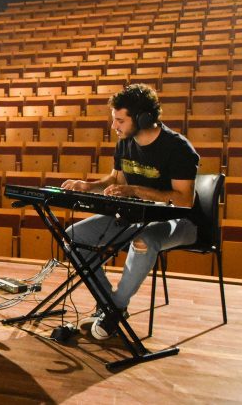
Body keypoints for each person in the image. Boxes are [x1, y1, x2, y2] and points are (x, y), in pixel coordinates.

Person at [61, 84, 200, 340]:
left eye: (120, 120)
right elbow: (117, 179)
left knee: (144, 239)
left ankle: (113, 310)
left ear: (143, 118)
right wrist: (88, 186)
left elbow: (184, 200)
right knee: (73, 237)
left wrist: (135, 190)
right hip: (134, 217)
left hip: (180, 221)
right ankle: (110, 306)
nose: (114, 126)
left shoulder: (178, 147)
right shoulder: (125, 142)